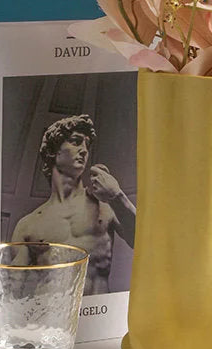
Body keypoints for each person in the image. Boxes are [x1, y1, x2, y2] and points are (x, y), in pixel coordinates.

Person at [11, 114, 135, 295]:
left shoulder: (105, 206)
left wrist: (118, 196)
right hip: (52, 319)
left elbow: (147, 243)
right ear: (54, 151)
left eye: (87, 144)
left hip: (98, 317)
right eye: (76, 142)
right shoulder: (28, 225)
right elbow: (13, 291)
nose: (84, 150)